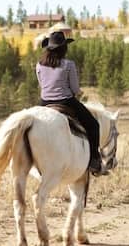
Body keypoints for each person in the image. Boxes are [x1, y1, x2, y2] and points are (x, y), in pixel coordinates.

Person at [36, 31, 102, 175]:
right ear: (64, 48)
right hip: (66, 101)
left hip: (44, 102)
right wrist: (79, 93)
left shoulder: (39, 65)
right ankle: (94, 160)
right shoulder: (69, 64)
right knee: (93, 125)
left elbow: (42, 85)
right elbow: (75, 89)